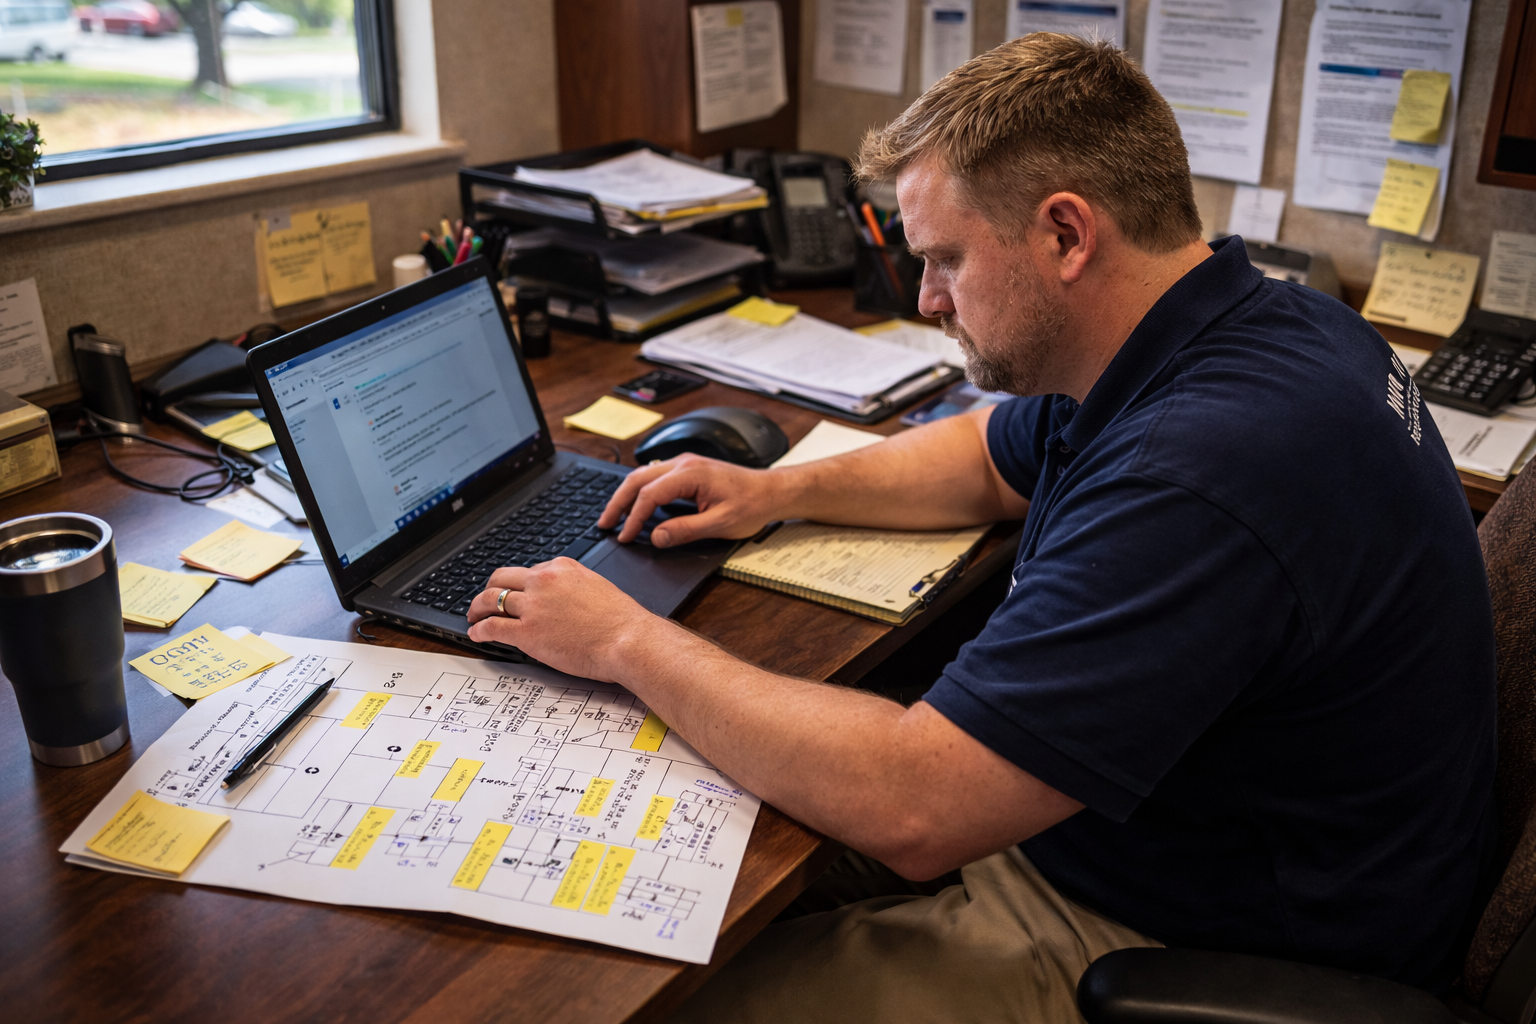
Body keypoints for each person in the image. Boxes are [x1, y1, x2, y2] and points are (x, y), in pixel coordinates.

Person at [468, 33, 1497, 1023]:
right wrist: (776, 489)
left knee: (668, 1000)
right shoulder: (1247, 319)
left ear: (1064, 234)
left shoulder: (1201, 470)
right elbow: (988, 457)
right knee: (683, 861)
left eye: (947, 259)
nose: (924, 298)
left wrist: (622, 638)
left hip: (1190, 932)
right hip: (1139, 817)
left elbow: (918, 806)